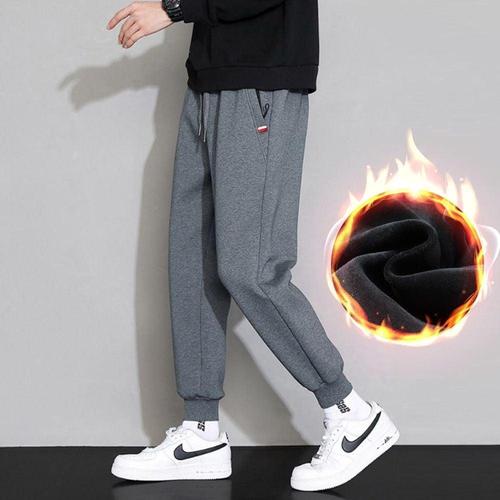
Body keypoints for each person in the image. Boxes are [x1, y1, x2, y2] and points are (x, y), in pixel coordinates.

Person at [107, 0, 399, 491]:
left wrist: (175, 9)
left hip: (260, 83)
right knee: (193, 264)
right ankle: (200, 431)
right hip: (207, 83)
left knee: (252, 269)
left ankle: (353, 414)